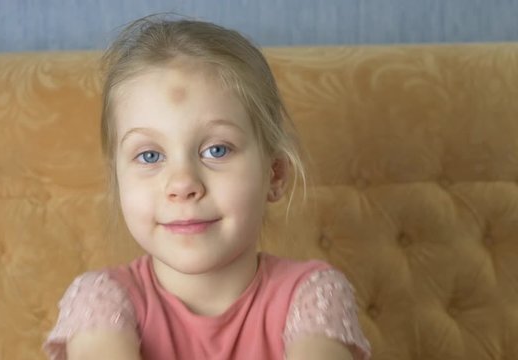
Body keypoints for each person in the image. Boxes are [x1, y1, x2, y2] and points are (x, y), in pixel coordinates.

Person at [43, 14, 371, 360]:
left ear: (274, 175)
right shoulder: (100, 300)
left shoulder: (311, 295)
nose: (183, 184)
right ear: (118, 179)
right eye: (150, 155)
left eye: (217, 150)